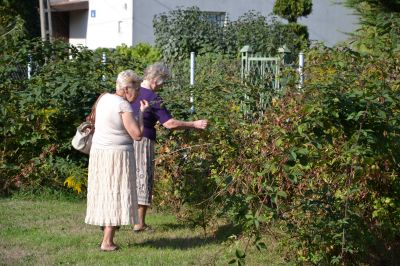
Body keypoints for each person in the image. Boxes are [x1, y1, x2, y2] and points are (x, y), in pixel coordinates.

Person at [130, 62, 208, 232]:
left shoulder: (131, 92)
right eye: (163, 82)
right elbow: (170, 124)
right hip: (143, 141)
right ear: (156, 80)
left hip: (125, 140)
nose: (163, 86)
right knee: (143, 178)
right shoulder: (153, 98)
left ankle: (114, 220)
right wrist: (194, 124)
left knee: (125, 179)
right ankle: (139, 223)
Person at [85, 70, 149, 251]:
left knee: (105, 192)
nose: (137, 95)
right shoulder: (123, 106)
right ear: (127, 88)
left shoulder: (103, 98)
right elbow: (137, 135)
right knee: (116, 193)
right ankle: (107, 241)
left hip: (99, 153)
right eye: (136, 90)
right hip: (117, 156)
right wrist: (142, 114)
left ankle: (106, 233)